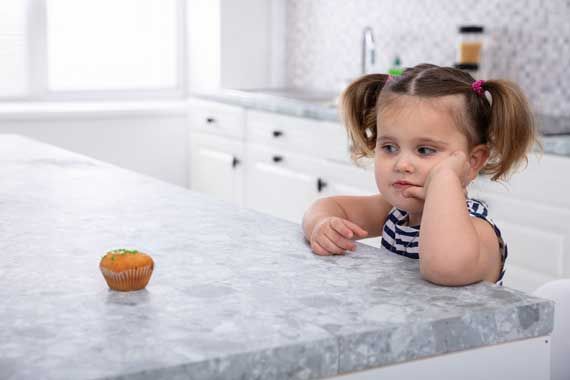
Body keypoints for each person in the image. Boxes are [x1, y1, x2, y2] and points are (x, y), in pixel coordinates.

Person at [302, 63, 538, 286]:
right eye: (389, 148)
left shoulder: (478, 228)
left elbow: (443, 268)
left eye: (425, 150)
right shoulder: (396, 212)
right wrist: (321, 225)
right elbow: (327, 206)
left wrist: (445, 179)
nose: (402, 164)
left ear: (472, 161)